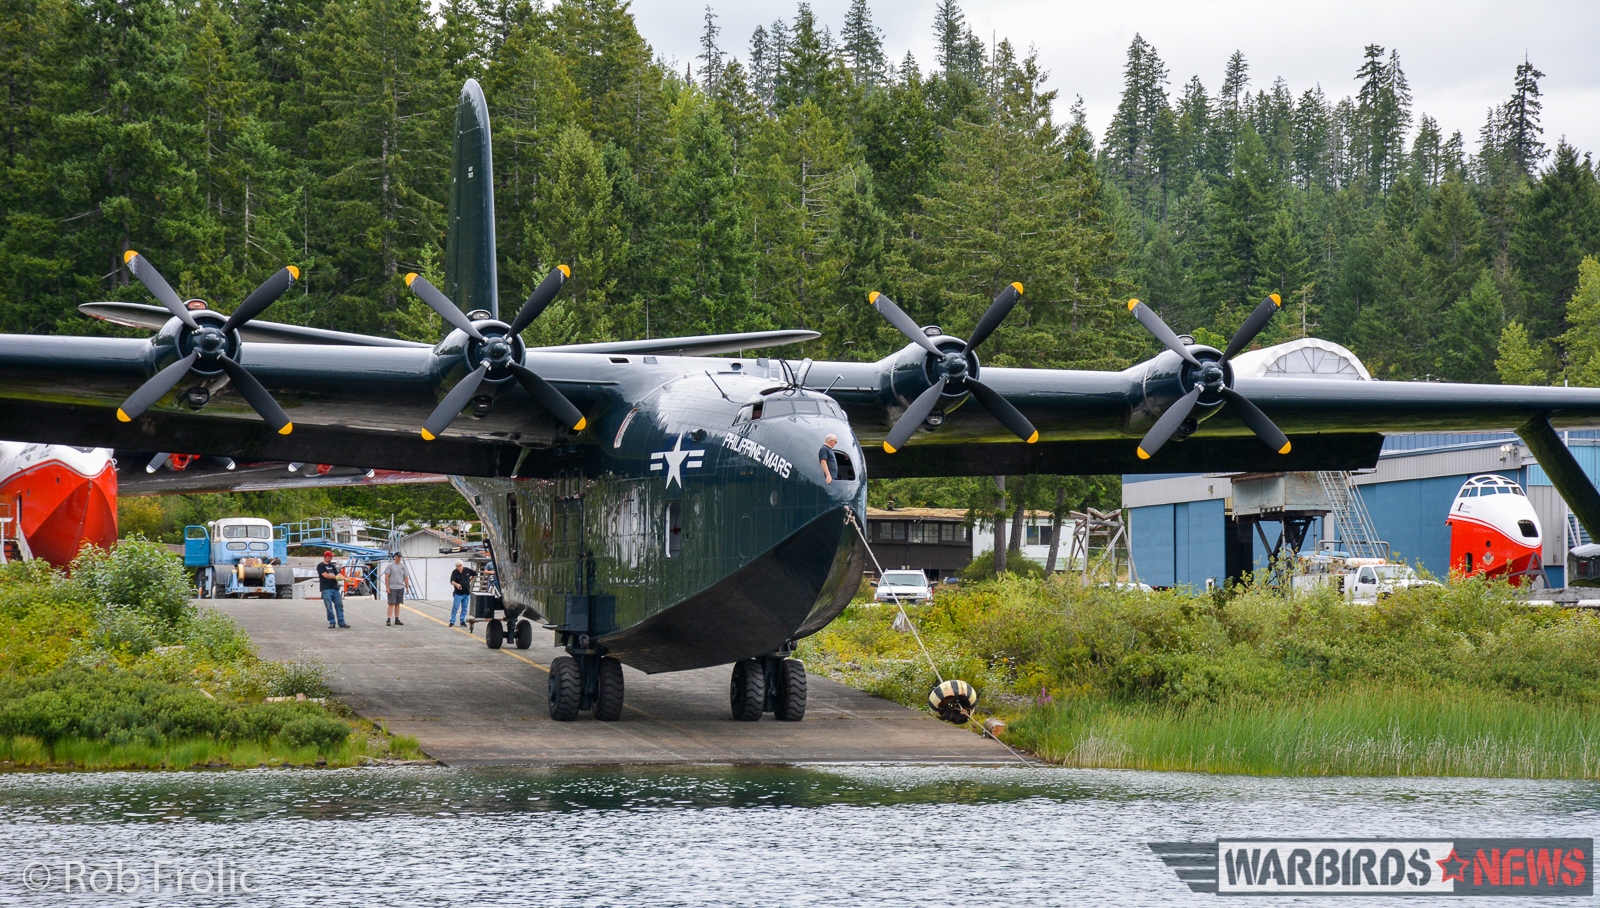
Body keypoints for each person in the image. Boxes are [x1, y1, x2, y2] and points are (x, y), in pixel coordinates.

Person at [317, 551, 348, 629]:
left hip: (335, 588)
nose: (331, 558)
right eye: (330, 557)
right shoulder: (320, 566)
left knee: (339, 605)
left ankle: (342, 622)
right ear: (326, 557)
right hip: (326, 588)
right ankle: (332, 622)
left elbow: (337, 574)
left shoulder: (332, 566)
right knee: (329, 607)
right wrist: (335, 577)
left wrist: (345, 578)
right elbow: (325, 575)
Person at [448, 560, 476, 627]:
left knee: (465, 607)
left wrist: (471, 579)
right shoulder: (455, 572)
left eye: (460, 566)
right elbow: (452, 581)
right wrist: (456, 584)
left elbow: (475, 573)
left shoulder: (467, 570)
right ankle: (452, 621)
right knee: (455, 607)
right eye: (457, 566)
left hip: (466, 592)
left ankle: (462, 621)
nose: (459, 567)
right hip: (458, 593)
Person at [383, 553, 407, 626]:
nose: (399, 558)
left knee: (398, 603)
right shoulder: (390, 566)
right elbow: (387, 576)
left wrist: (407, 587)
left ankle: (397, 619)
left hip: (400, 587)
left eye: (400, 557)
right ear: (395, 557)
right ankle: (388, 619)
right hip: (392, 587)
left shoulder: (403, 566)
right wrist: (387, 587)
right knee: (391, 603)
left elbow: (406, 577)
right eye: (398, 556)